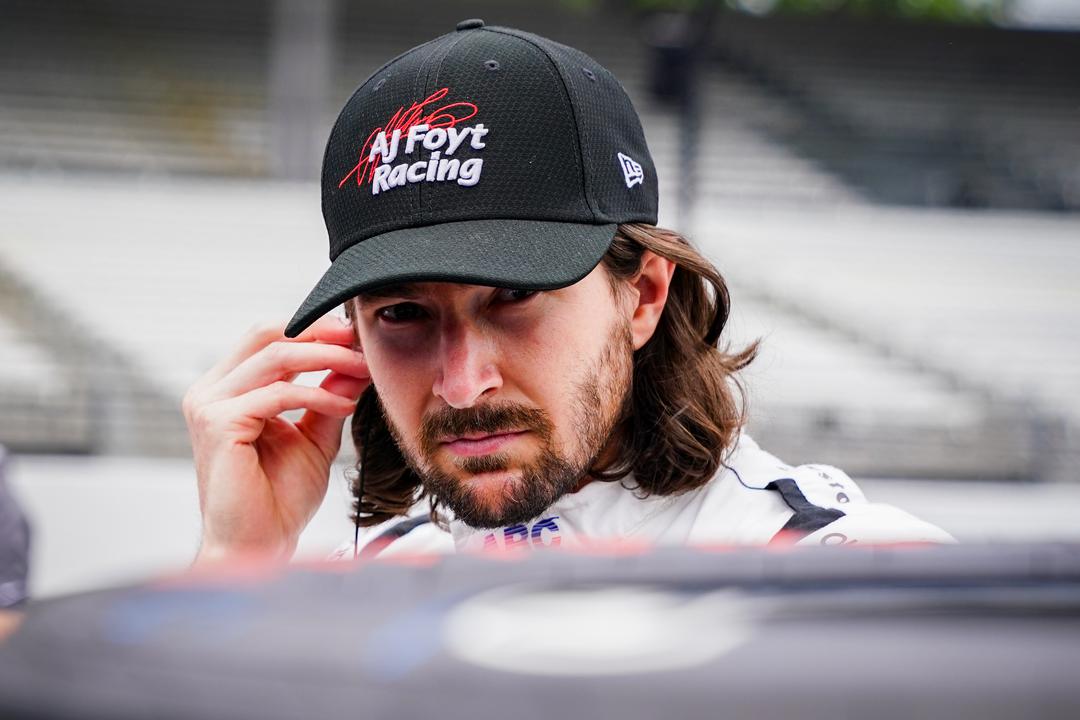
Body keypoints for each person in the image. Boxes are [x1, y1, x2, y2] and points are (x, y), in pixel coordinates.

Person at [183, 20, 952, 564]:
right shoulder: (365, 583)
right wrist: (238, 564)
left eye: (514, 293)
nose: (461, 382)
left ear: (644, 296)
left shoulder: (847, 577)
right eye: (404, 314)